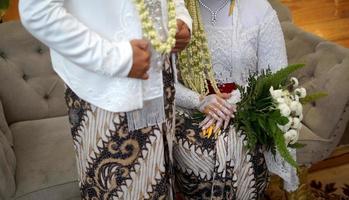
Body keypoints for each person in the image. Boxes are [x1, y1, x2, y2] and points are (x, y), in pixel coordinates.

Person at [19, 0, 192, 199]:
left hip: (161, 82)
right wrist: (117, 59)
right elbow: (37, 12)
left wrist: (181, 18)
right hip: (108, 95)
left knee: (163, 182)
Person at [174, 0, 298, 199]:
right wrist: (199, 100)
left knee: (234, 144)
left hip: (246, 108)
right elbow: (162, 83)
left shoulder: (259, 10)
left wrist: (234, 101)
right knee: (201, 153)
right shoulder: (177, 14)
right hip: (189, 109)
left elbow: (275, 76)